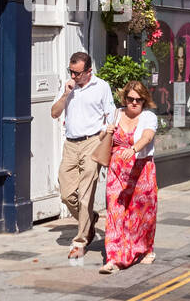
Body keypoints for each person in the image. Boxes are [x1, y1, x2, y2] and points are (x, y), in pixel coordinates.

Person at [51, 52, 115, 261]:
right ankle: (90, 219)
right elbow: (54, 113)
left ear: (89, 71)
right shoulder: (69, 88)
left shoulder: (101, 87)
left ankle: (80, 242)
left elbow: (111, 113)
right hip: (70, 144)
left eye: (78, 73)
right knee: (66, 193)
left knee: (86, 193)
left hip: (92, 142)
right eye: (71, 71)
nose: (74, 76)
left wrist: (105, 134)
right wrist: (64, 95)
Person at [99, 80, 159, 274]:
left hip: (141, 171)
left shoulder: (148, 117)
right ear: (124, 98)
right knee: (115, 213)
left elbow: (147, 137)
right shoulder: (116, 114)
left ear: (144, 101)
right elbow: (102, 137)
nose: (134, 103)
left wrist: (134, 149)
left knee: (139, 215)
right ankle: (114, 258)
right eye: (130, 99)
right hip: (116, 172)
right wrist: (105, 132)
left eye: (138, 100)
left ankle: (145, 248)